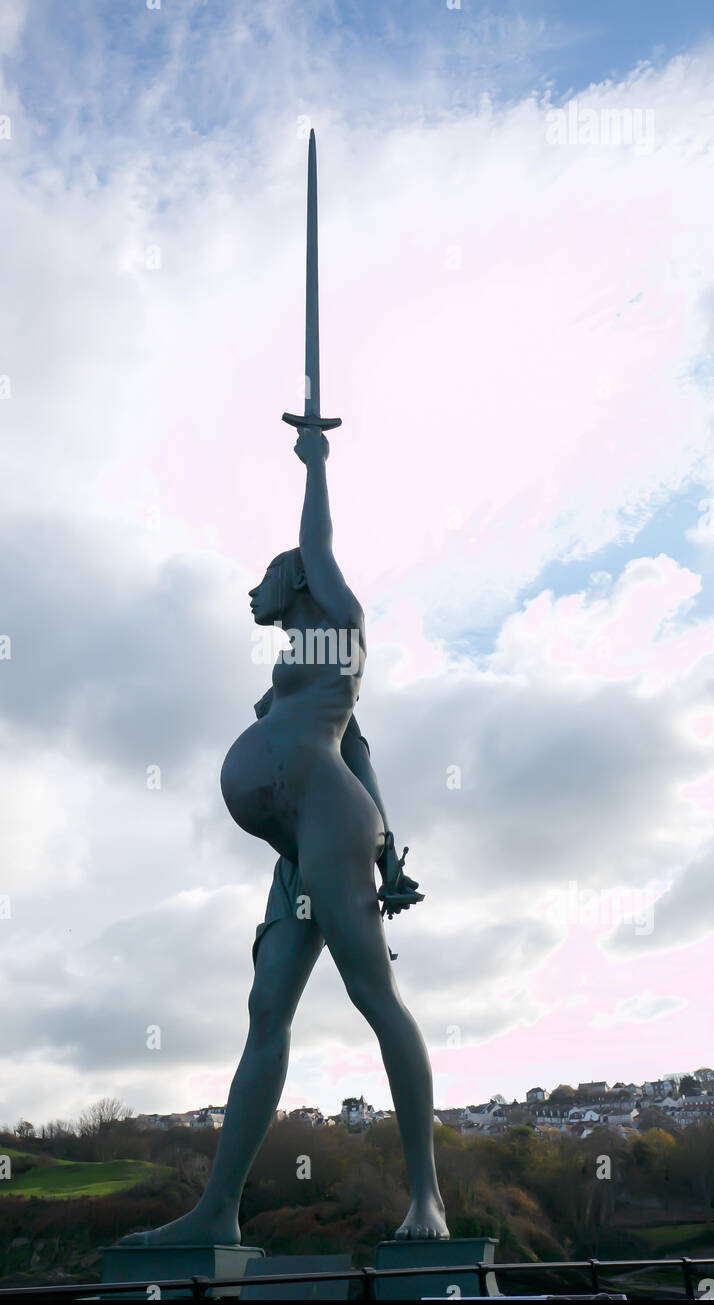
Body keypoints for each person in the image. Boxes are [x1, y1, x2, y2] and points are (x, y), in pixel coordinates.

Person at [123, 428, 448, 1246]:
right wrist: (391, 849)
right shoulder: (291, 676)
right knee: (267, 1008)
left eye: (264, 577)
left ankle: (426, 1201)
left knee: (376, 998)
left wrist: (313, 465)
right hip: (300, 845)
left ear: (297, 580)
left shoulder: (338, 628)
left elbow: (317, 542)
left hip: (324, 820)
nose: (251, 592)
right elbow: (361, 751)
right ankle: (217, 1212)